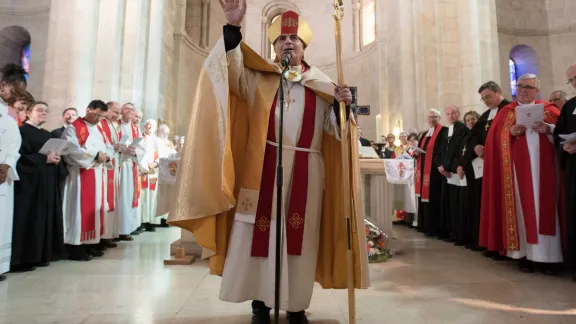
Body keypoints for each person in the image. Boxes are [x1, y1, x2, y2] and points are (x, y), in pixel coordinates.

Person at [168, 2, 369, 323]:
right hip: (261, 168)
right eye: (281, 40)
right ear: (273, 47)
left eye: (294, 39)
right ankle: (261, 303)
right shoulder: (259, 78)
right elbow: (227, 74)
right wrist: (233, 29)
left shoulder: (323, 85)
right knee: (260, 235)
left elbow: (337, 131)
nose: (288, 43)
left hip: (307, 171)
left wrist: (344, 106)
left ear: (304, 47)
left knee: (300, 238)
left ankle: (295, 306)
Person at [482, 74, 562, 274]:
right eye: (520, 86)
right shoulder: (506, 113)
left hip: (546, 171)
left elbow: (563, 134)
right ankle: (524, 256)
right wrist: (510, 132)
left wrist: (549, 129)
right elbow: (495, 141)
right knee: (519, 209)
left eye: (528, 86)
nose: (523, 90)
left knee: (546, 208)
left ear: (536, 90)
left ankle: (549, 258)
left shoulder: (550, 111)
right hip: (516, 174)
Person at [12, 101, 66, 272]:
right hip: (29, 186)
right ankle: (23, 259)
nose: (44, 113)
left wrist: (57, 160)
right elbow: (20, 158)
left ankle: (42, 255)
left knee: (45, 217)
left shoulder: (47, 134)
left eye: (46, 111)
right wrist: (44, 159)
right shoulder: (21, 132)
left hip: (47, 183)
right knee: (30, 217)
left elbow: (52, 156)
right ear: (28, 113)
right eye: (40, 110)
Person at [62, 100, 113, 261]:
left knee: (95, 211)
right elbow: (72, 150)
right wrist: (97, 156)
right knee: (77, 212)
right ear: (88, 109)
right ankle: (75, 247)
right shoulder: (73, 128)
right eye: (97, 115)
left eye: (101, 116)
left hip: (97, 174)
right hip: (80, 176)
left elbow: (108, 146)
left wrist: (107, 156)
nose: (99, 119)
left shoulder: (98, 129)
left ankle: (89, 244)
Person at [466, 81, 510, 257]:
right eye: (483, 99)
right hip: (486, 169)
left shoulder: (509, 110)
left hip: (504, 167)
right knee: (489, 204)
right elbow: (472, 136)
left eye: (488, 97)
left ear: (499, 92)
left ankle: (504, 246)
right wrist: (476, 146)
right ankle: (491, 243)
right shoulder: (485, 116)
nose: (486, 101)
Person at [553, 63, 576, 281]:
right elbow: (559, 134)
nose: (575, 82)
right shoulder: (569, 106)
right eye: (572, 80)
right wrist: (565, 146)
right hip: (573, 168)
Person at [0, 67, 23, 281]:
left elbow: (14, 143)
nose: (16, 97)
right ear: (3, 85)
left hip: (3, 175)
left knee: (2, 220)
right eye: (14, 91)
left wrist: (7, 164)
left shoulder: (8, 116)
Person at [436, 105, 468, 244]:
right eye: (448, 114)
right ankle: (449, 231)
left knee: (457, 204)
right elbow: (439, 152)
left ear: (458, 114)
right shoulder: (444, 132)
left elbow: (460, 151)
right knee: (448, 203)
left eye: (453, 113)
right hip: (445, 173)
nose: (451, 116)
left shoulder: (463, 129)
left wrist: (452, 167)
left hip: (456, 172)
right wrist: (440, 166)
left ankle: (459, 234)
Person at [415, 109, 446, 237]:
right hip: (423, 170)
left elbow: (441, 149)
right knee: (423, 198)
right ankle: (424, 225)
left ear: (439, 118)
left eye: (434, 117)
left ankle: (434, 227)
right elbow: (420, 149)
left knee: (434, 198)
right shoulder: (424, 134)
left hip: (435, 171)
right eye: (430, 117)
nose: (432, 119)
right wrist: (416, 153)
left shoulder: (443, 132)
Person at [118, 103, 146, 240]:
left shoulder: (135, 129)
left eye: (131, 109)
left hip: (131, 166)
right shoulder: (115, 125)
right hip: (118, 165)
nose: (129, 111)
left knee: (128, 197)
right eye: (126, 108)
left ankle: (126, 228)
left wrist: (135, 151)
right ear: (121, 111)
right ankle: (117, 230)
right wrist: (122, 150)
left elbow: (142, 148)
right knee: (120, 197)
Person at [99, 102, 124, 247]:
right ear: (106, 110)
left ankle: (109, 233)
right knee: (105, 200)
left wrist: (119, 148)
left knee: (112, 199)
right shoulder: (101, 124)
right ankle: (103, 235)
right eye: (115, 112)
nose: (117, 115)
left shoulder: (112, 125)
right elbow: (102, 144)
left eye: (118, 113)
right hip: (105, 167)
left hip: (113, 167)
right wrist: (113, 147)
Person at [458, 111, 481, 250]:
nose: (471, 122)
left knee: (476, 206)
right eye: (468, 120)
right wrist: (459, 165)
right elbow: (461, 153)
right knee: (467, 206)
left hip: (477, 174)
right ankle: (468, 236)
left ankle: (478, 239)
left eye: (473, 119)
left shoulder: (479, 135)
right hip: (465, 174)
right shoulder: (465, 136)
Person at [140, 119, 160, 231]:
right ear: (144, 126)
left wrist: (156, 163)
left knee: (152, 197)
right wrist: (144, 166)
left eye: (152, 125)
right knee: (143, 196)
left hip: (153, 171)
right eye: (148, 124)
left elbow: (160, 154)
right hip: (143, 171)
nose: (150, 127)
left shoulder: (156, 140)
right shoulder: (140, 137)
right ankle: (142, 221)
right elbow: (138, 152)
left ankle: (151, 221)